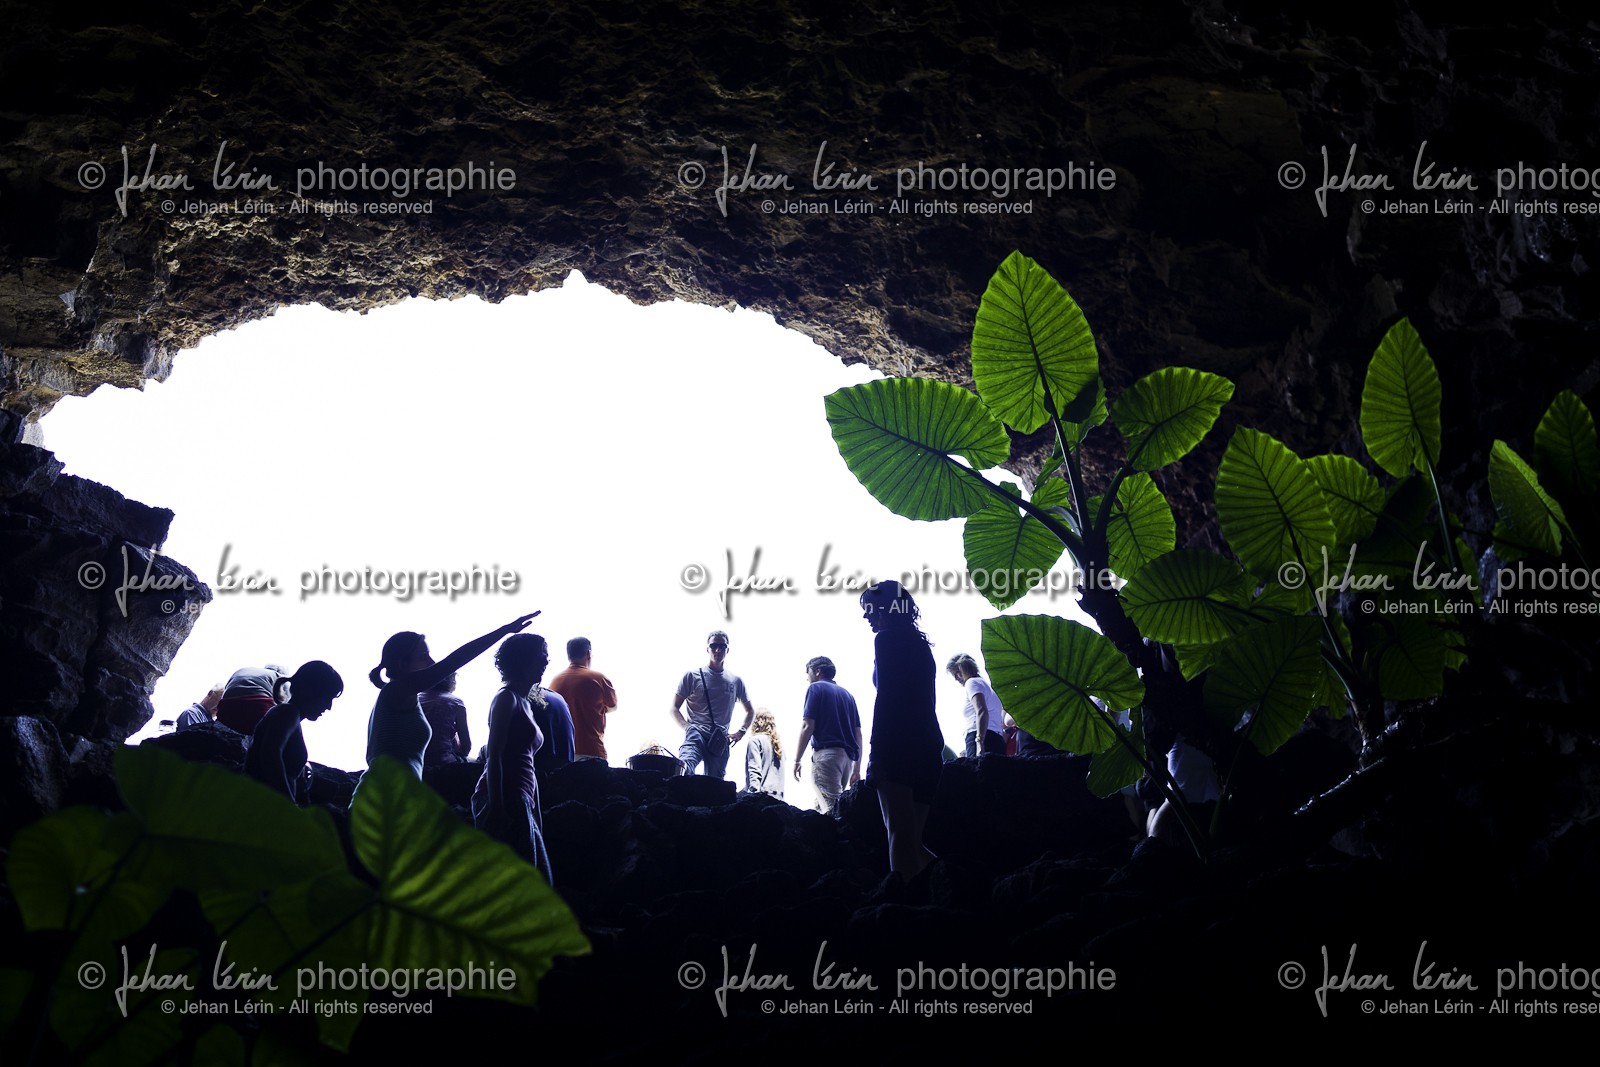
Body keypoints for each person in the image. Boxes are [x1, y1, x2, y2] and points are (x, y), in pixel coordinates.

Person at [362, 612, 539, 783]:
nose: (432, 662)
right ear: (402, 664)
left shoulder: (400, 696)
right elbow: (456, 660)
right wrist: (504, 630)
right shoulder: (397, 690)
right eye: (423, 657)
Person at [860, 581, 942, 879]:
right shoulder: (920, 645)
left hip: (898, 744)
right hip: (928, 744)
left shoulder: (886, 639)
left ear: (885, 608)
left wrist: (875, 753)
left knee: (899, 835)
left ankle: (905, 903)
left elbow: (887, 698)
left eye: (869, 608)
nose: (866, 615)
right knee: (912, 840)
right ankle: (952, 887)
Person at [472, 633, 555, 884]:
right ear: (522, 660)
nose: (546, 661)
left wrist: (536, 814)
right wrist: (497, 806)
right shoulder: (505, 698)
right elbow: (494, 754)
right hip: (505, 796)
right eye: (541, 656)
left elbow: (529, 764)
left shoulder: (525, 703)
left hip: (521, 797)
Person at [243, 661, 344, 803]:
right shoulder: (288, 713)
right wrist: (288, 803)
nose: (329, 707)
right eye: (327, 698)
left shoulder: (288, 716)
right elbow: (270, 753)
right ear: (307, 691)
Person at [670, 629, 755, 778]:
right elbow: (674, 708)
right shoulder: (692, 676)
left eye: (722, 646)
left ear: (727, 650)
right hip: (696, 734)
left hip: (719, 739)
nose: (717, 650)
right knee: (683, 769)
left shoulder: (735, 681)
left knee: (715, 784)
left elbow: (750, 711)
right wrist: (687, 727)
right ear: (707, 649)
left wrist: (740, 732)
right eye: (713, 646)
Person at [791, 656, 861, 816]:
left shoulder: (815, 688)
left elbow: (807, 726)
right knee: (824, 806)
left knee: (833, 811)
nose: (807, 677)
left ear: (817, 671)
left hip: (827, 756)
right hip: (847, 760)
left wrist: (797, 760)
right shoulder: (848, 695)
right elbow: (858, 734)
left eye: (807, 672)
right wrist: (857, 767)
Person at [547, 637, 619, 761]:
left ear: (569, 655)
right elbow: (613, 706)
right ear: (588, 654)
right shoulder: (598, 679)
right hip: (591, 750)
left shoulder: (555, 681)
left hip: (564, 750)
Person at [946, 653, 1007, 758]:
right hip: (996, 738)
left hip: (980, 736)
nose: (956, 679)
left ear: (963, 669)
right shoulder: (986, 686)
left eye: (956, 674)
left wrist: (979, 742)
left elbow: (981, 710)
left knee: (977, 767)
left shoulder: (971, 683)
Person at [215, 664, 289, 735]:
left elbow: (226, 690)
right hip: (257, 709)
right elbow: (285, 704)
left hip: (226, 709)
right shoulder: (281, 677)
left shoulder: (244, 670)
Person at [420, 673, 471, 770]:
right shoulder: (456, 702)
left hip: (417, 763)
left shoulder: (416, 699)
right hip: (443, 763)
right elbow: (466, 747)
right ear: (452, 681)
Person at [743, 709, 785, 797]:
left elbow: (754, 770)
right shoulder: (778, 744)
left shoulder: (755, 741)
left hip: (762, 797)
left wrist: (753, 795)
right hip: (778, 798)